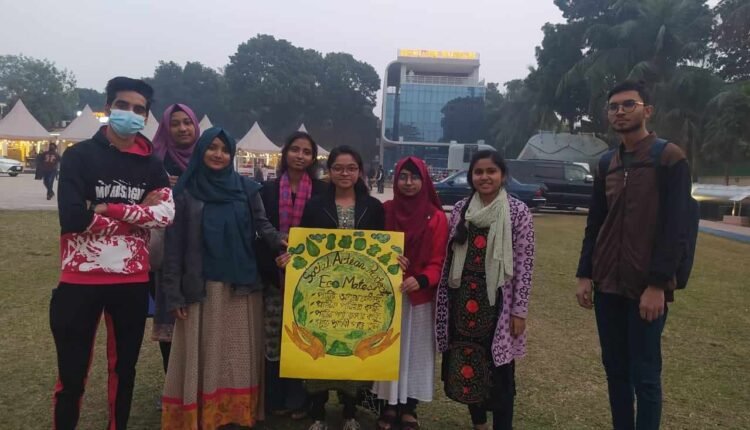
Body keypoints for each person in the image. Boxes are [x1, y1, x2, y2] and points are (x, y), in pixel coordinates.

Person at [51, 77, 175, 430]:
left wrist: (108, 209)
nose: (130, 113)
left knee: (124, 370)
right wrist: (137, 213)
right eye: (123, 105)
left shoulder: (152, 164)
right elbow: (73, 219)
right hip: (80, 278)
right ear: (109, 108)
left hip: (131, 280)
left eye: (139, 109)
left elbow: (165, 216)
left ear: (146, 117)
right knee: (72, 373)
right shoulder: (78, 156)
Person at [575, 80, 691, 430]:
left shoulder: (668, 158)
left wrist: (658, 285)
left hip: (646, 287)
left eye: (629, 104)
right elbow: (595, 222)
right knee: (615, 370)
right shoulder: (606, 163)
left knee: (645, 373)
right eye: (614, 107)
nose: (620, 112)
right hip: (607, 284)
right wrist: (584, 273)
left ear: (647, 110)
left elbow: (676, 227)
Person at [160, 127, 284, 429]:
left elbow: (263, 226)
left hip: (241, 286)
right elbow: (173, 248)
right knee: (206, 351)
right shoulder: (185, 192)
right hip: (201, 287)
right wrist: (173, 294)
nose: (218, 154)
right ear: (201, 150)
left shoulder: (246, 189)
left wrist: (283, 241)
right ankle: (202, 412)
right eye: (212, 147)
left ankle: (234, 413)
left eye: (225, 149)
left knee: (236, 353)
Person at [276, 145, 386, 430]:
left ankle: (350, 413)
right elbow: (303, 243)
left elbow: (382, 245)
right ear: (330, 171)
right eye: (338, 168)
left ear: (360, 171)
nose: (344, 173)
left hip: (358, 293)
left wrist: (394, 261)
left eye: (351, 168)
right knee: (320, 349)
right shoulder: (315, 205)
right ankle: (318, 414)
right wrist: (290, 258)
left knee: (352, 346)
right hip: (321, 291)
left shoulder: (373, 207)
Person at [435, 150, 535, 430]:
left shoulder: (517, 212)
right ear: (471, 177)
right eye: (478, 172)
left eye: (491, 171)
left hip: (498, 304)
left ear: (502, 175)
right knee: (467, 362)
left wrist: (519, 311)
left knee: (500, 370)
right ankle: (478, 423)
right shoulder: (461, 209)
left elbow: (525, 265)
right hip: (461, 302)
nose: (485, 177)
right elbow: (448, 256)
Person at [372, 156, 449, 430]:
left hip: (419, 298)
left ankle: (409, 408)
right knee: (386, 348)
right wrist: (385, 258)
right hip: (386, 294)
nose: (408, 182)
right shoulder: (385, 211)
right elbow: (371, 246)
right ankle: (389, 405)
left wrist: (422, 279)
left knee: (414, 352)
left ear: (424, 180)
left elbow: (439, 260)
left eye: (414, 177)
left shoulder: (436, 217)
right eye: (403, 176)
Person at [257, 131, 327, 418]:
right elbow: (260, 230)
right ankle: (275, 398)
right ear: (285, 153)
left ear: (313, 158)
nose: (300, 155)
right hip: (276, 277)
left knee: (305, 338)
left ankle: (301, 400)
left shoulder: (322, 192)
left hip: (312, 281)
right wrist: (276, 258)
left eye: (306, 151)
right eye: (295, 150)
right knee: (274, 339)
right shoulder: (268, 190)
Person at [149, 103, 200, 393]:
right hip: (167, 253)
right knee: (170, 319)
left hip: (201, 252)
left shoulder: (207, 158)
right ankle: (173, 387)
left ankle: (198, 383)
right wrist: (158, 191)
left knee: (199, 319)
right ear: (166, 128)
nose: (182, 128)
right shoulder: (153, 161)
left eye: (187, 122)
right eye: (175, 123)